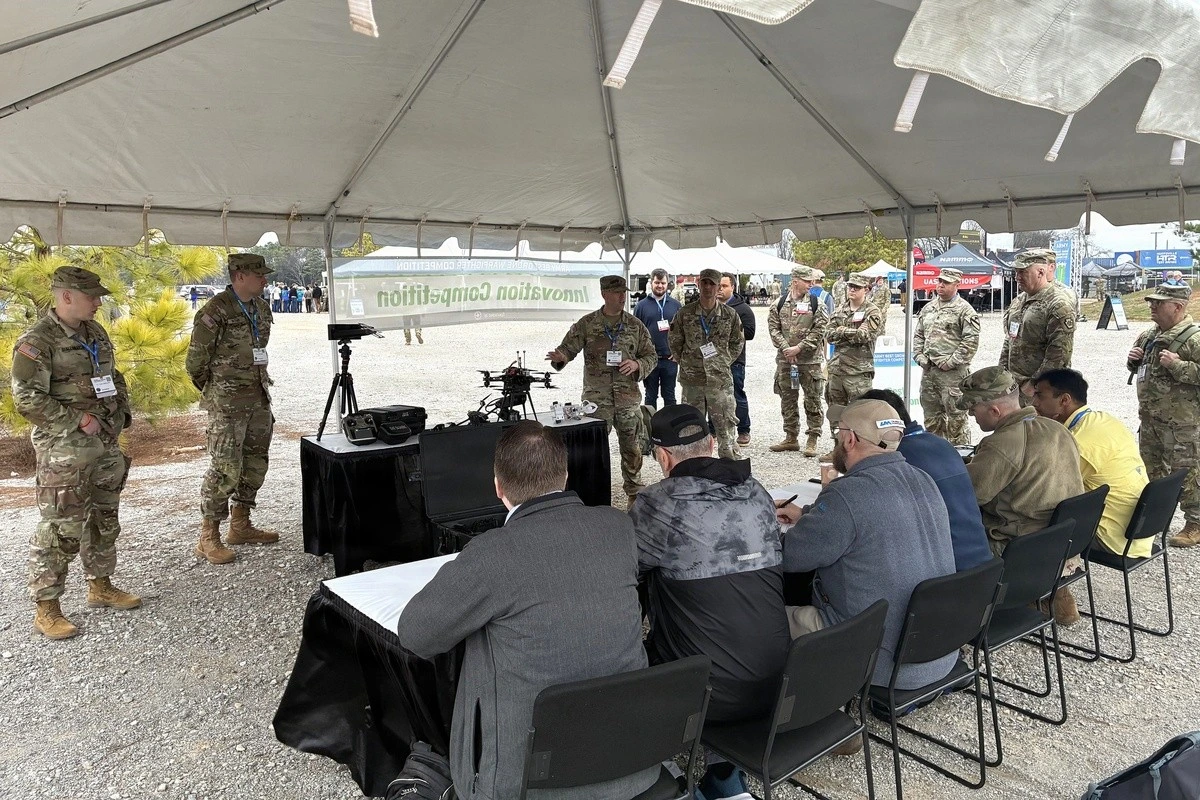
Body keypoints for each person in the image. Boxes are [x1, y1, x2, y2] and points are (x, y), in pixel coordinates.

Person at [396, 421, 655, 800]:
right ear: (565, 476)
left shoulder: (492, 552)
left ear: (498, 486)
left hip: (527, 784)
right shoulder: (618, 527)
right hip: (634, 765)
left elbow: (416, 635)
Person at [630, 404, 788, 800]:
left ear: (662, 456)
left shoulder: (656, 504)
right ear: (714, 443)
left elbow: (627, 574)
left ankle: (665, 777)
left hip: (706, 695)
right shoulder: (758, 492)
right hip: (778, 681)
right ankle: (725, 777)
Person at [775, 399, 958, 690]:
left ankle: (785, 709)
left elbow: (790, 557)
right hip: (937, 651)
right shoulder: (923, 478)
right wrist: (808, 514)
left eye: (837, 433)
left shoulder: (846, 493)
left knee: (755, 618)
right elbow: (873, 518)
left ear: (850, 439)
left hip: (879, 661)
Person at [11, 266, 141, 640]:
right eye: (91, 296)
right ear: (66, 296)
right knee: (61, 528)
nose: (99, 303)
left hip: (104, 444)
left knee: (104, 516)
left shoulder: (94, 332)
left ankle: (100, 585)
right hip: (66, 450)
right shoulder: (37, 342)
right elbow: (27, 398)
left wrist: (121, 413)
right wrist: (77, 420)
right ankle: (47, 607)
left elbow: (113, 377)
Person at [958, 366, 1084, 622]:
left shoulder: (1002, 443)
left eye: (973, 410)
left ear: (994, 411)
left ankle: (955, 621)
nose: (972, 416)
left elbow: (968, 495)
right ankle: (1053, 595)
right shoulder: (1056, 428)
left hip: (1017, 549)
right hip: (1058, 541)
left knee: (943, 535)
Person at [186, 253, 280, 565]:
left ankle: (240, 525)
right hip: (226, 405)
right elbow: (195, 362)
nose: (264, 279)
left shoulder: (261, 307)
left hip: (257, 398)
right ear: (239, 275)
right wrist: (218, 391)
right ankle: (208, 535)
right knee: (225, 468)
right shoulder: (216, 310)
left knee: (255, 464)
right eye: (259, 275)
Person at [547, 275, 658, 502]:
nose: (622, 297)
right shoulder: (587, 324)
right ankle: (591, 496)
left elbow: (651, 356)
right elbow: (567, 350)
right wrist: (561, 357)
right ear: (604, 294)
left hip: (627, 399)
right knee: (592, 452)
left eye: (624, 292)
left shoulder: (635, 325)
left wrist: (638, 364)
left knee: (633, 449)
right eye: (617, 293)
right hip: (597, 401)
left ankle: (634, 493)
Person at [859, 389, 991, 571]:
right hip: (981, 567)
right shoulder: (941, 444)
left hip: (945, 576)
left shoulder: (896, 459)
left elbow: (862, 515)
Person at [1030, 369, 1151, 558]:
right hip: (1137, 529)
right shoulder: (1102, 419)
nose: (1033, 403)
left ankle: (1048, 586)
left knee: (1023, 525)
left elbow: (1047, 492)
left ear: (1064, 400)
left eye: (1039, 396)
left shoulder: (1080, 444)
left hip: (1113, 536)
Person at [1127, 284, 1200, 546]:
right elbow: (1139, 368)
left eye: (1159, 303)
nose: (1152, 307)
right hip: (1150, 419)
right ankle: (1156, 519)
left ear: (1178, 306)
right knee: (1152, 471)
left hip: (1182, 423)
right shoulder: (1148, 336)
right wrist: (1133, 360)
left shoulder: (1194, 339)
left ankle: (1195, 522)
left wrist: (1179, 366)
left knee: (1187, 472)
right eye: (1151, 302)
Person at [669, 268, 745, 460]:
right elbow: (675, 341)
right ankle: (693, 468)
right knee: (691, 429)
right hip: (692, 380)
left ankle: (729, 469)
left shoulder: (730, 315)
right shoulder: (685, 313)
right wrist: (686, 362)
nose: (708, 287)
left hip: (719, 381)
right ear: (699, 284)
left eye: (712, 284)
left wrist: (724, 361)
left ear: (719, 287)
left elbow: (738, 342)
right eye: (705, 283)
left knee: (725, 429)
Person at [913, 267, 981, 444]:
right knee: (931, 420)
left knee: (956, 421)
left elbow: (970, 341)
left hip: (953, 376)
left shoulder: (965, 310)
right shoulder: (929, 308)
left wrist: (951, 362)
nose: (940, 285)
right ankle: (936, 457)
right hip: (929, 373)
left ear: (957, 285)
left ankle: (961, 460)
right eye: (939, 281)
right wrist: (919, 357)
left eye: (945, 283)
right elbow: (919, 335)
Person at [1000, 248, 1076, 403]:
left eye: (1023, 272)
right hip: (1014, 384)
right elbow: (1010, 339)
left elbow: (1059, 353)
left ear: (1041, 272)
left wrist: (1035, 384)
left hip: (1040, 390)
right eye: (1016, 272)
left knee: (1038, 426)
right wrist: (1002, 374)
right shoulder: (1018, 302)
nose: (1017, 277)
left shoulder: (1058, 304)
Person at [767, 265, 829, 456]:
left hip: (810, 363)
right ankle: (791, 437)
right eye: (807, 281)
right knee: (788, 400)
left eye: (812, 281)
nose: (811, 285)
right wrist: (787, 348)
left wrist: (799, 348)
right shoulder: (778, 304)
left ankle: (812, 438)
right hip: (787, 362)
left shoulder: (817, 304)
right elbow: (773, 329)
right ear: (795, 281)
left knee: (812, 401)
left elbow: (820, 330)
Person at [825, 273, 882, 443]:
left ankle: (861, 448)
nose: (852, 290)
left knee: (861, 414)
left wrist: (841, 330)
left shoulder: (872, 311)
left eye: (857, 287)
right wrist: (850, 332)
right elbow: (828, 335)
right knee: (836, 412)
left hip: (858, 371)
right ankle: (838, 447)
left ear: (866, 289)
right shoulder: (840, 310)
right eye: (850, 286)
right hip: (837, 370)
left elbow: (865, 336)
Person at [633, 267, 681, 409]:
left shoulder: (676, 305)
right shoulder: (641, 306)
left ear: (667, 284)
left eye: (663, 283)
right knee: (650, 396)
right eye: (657, 282)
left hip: (669, 359)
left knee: (670, 396)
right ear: (651, 283)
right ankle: (650, 428)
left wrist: (678, 352)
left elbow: (682, 331)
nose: (660, 286)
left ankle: (670, 429)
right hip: (649, 360)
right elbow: (635, 333)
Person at [718, 272, 755, 445]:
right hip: (713, 361)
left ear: (732, 287)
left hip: (735, 360)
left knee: (736, 394)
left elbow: (750, 332)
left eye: (724, 286)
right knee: (714, 395)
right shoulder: (709, 307)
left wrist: (727, 333)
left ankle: (743, 430)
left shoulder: (742, 309)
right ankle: (713, 429)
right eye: (718, 286)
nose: (720, 289)